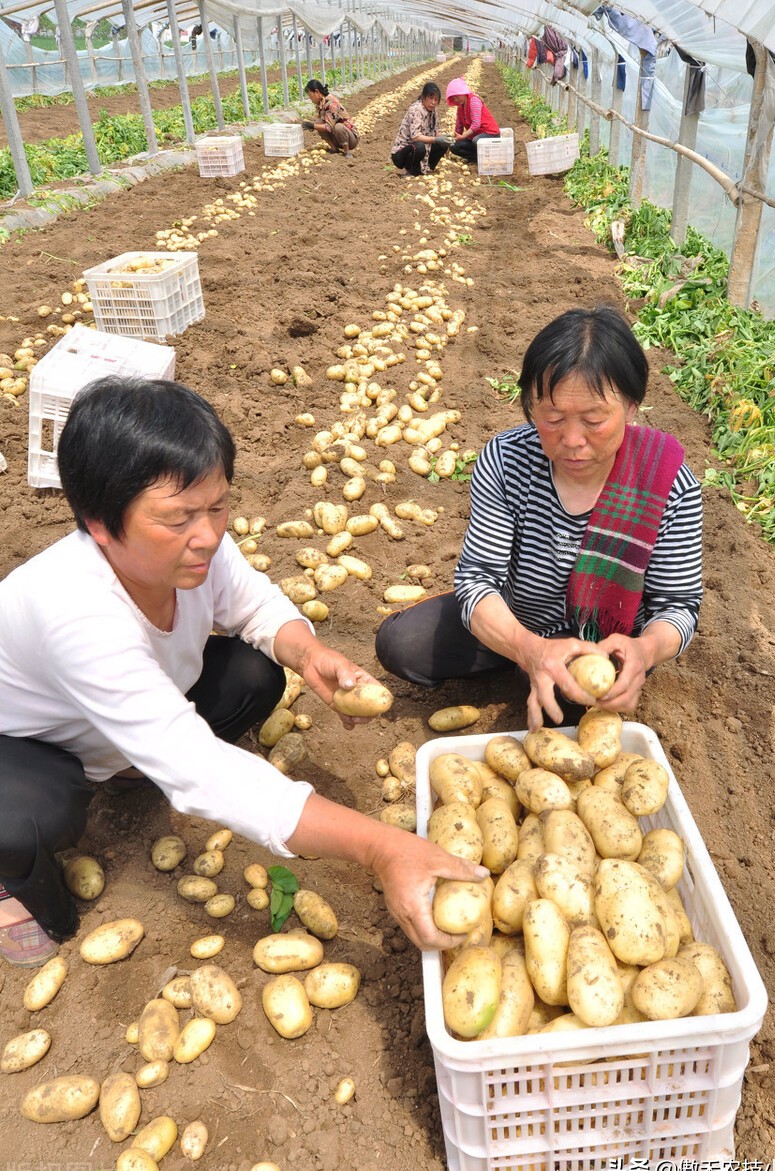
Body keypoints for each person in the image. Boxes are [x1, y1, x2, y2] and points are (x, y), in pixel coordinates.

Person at [0, 378, 486, 967]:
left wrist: (307, 654)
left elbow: (254, 606)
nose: (208, 536)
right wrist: (383, 849)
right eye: (178, 518)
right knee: (29, 818)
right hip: (27, 747)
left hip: (121, 716)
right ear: (99, 522)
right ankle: (9, 883)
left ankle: (129, 765)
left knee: (257, 674)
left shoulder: (196, 544)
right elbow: (200, 769)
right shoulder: (71, 612)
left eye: (218, 506)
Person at [376, 305, 703, 731]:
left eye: (594, 420)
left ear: (631, 408)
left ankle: (540, 671)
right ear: (530, 406)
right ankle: (520, 663)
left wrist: (645, 651)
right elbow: (477, 578)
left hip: (602, 647)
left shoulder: (669, 484)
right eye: (552, 418)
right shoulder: (506, 460)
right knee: (402, 644)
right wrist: (529, 649)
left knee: (572, 699)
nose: (572, 440)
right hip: (519, 622)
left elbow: (677, 605)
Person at [390, 81, 451, 178]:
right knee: (419, 146)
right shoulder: (416, 109)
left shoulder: (433, 110)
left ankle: (428, 169)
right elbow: (416, 137)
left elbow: (437, 131)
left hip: (422, 149)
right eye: (430, 98)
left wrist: (445, 138)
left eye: (436, 100)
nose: (433, 102)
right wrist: (436, 139)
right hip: (402, 153)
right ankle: (411, 172)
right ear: (423, 96)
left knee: (443, 144)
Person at [444, 77, 500, 164]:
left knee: (477, 141)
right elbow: (459, 127)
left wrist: (463, 136)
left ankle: (488, 158)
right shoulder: (460, 107)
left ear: (463, 92)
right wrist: (454, 139)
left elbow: (476, 124)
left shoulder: (474, 101)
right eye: (453, 98)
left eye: (457, 96)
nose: (456, 100)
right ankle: (477, 159)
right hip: (474, 136)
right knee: (454, 146)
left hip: (490, 134)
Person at [301, 79, 359, 160]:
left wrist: (312, 126)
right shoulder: (321, 103)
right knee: (319, 122)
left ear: (317, 92)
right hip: (337, 137)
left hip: (350, 139)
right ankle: (334, 148)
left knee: (338, 126)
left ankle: (347, 152)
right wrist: (314, 125)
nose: (311, 99)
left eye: (311, 96)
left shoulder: (331, 103)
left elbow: (329, 127)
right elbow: (319, 120)